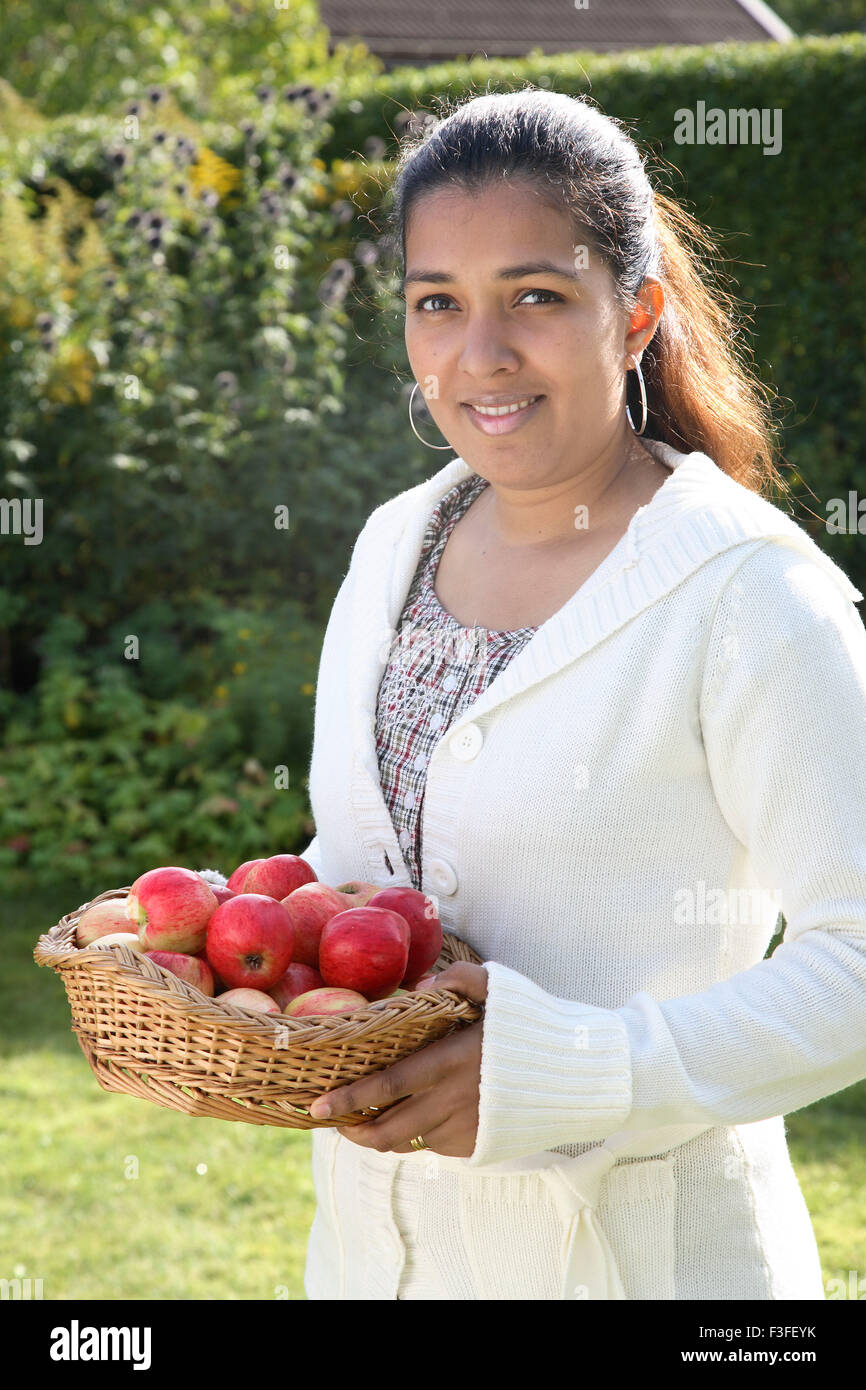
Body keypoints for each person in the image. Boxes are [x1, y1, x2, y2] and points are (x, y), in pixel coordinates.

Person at [298, 88, 866, 1299]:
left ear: (635, 315)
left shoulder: (745, 593)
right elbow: (360, 863)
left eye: (535, 298)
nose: (479, 355)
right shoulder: (390, 546)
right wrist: (241, 960)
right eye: (435, 304)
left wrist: (581, 1069)